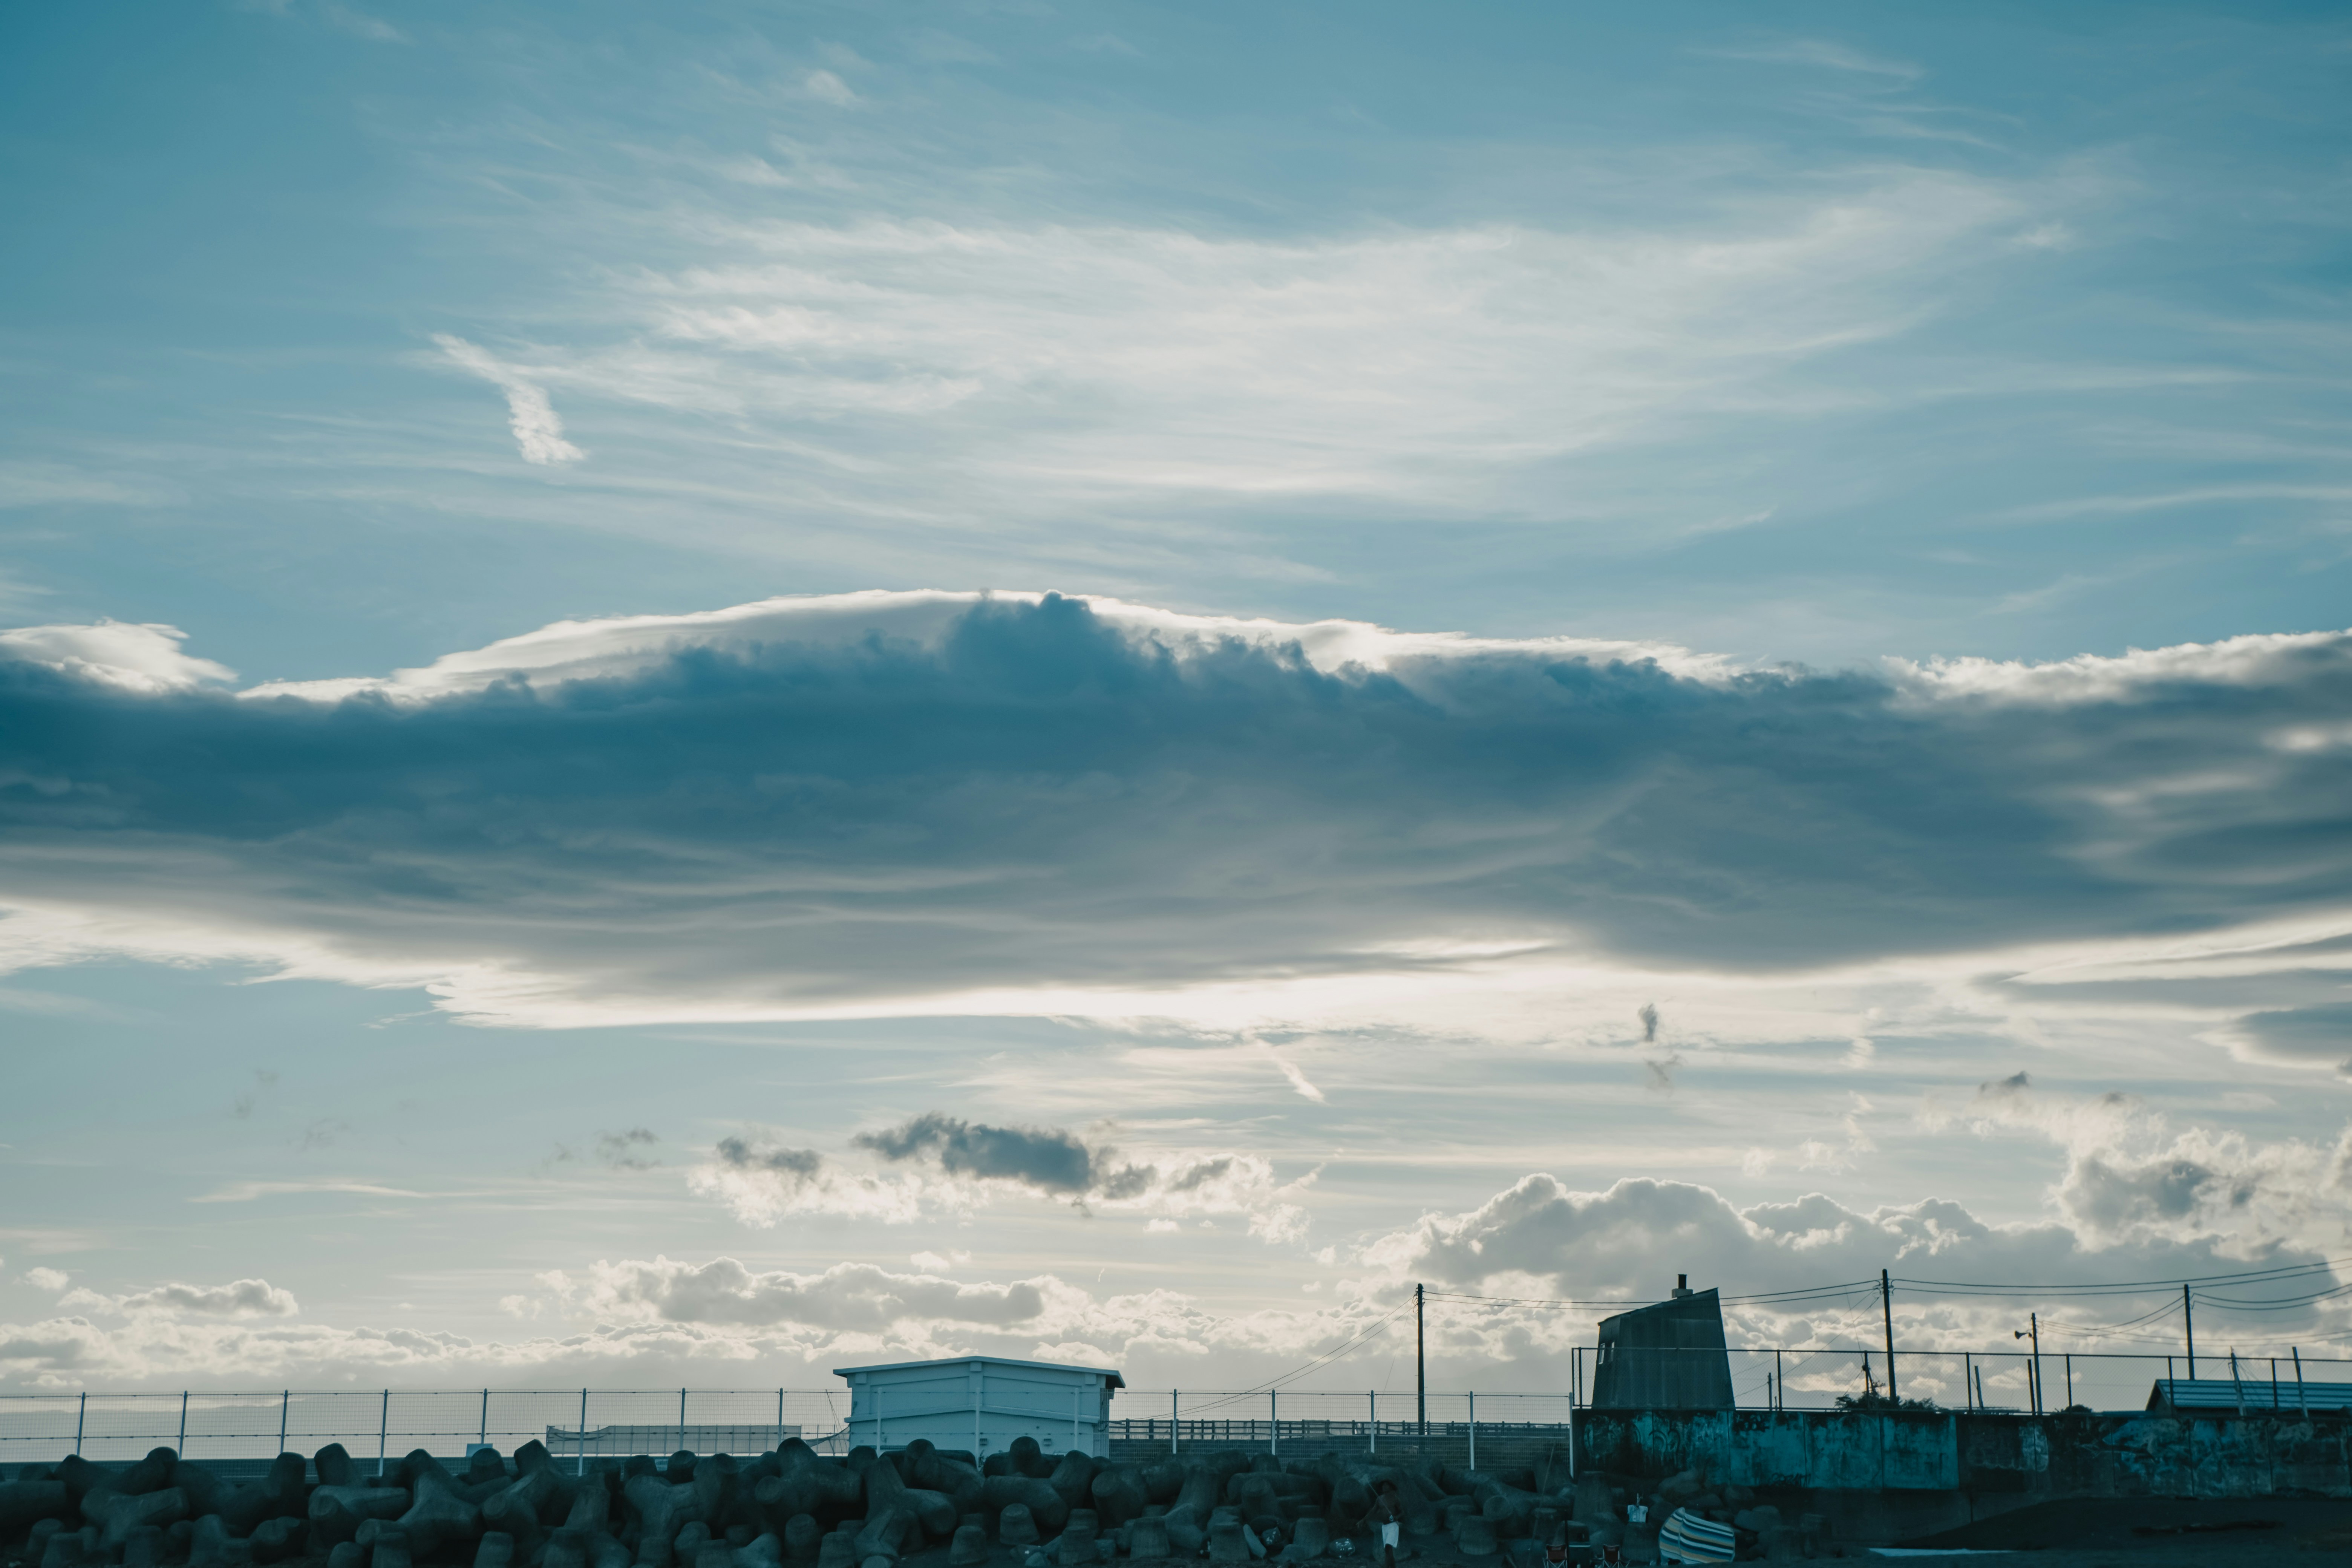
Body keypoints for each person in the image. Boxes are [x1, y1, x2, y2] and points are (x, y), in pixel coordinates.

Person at [1370, 1481, 1404, 1568]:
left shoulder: (1395, 1499)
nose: (1384, 1487)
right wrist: (1364, 1520)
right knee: (1389, 1550)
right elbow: (1374, 1511)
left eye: (1386, 1485)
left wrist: (1397, 1517)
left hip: (1393, 1526)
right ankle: (1393, 1567)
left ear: (1391, 1488)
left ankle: (1386, 1567)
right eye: (1383, 1486)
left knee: (1388, 1548)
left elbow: (1402, 1512)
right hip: (1385, 1526)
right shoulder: (1380, 1499)